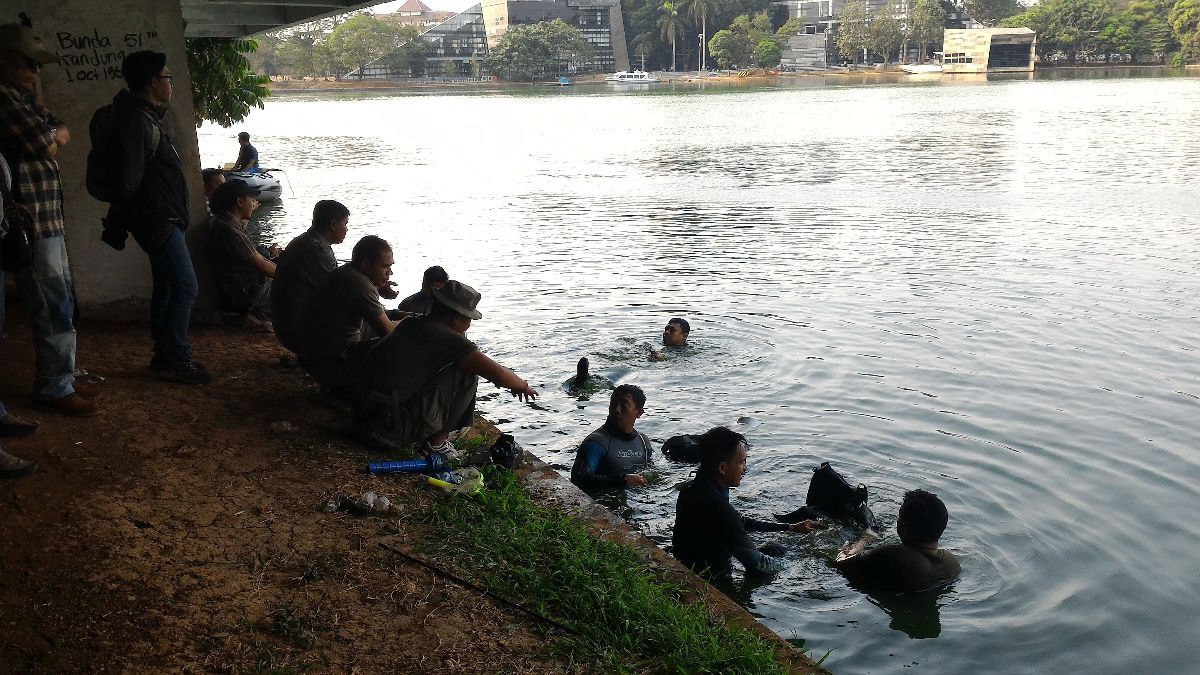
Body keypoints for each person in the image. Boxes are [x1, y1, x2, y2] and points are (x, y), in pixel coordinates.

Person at [0, 23, 99, 416]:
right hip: (31, 221)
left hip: (44, 218)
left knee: (60, 300)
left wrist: (53, 133)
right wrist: (53, 135)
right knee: (51, 302)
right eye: (28, 63)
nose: (34, 72)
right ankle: (56, 386)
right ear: (4, 60)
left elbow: (59, 128)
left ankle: (62, 377)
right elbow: (48, 141)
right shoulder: (5, 98)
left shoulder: (21, 97)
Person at [107, 50, 207, 384]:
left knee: (167, 286)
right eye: (167, 77)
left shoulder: (146, 116)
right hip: (157, 219)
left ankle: (165, 356)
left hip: (163, 217)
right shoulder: (137, 120)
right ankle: (176, 357)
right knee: (186, 285)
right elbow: (129, 180)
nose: (171, 84)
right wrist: (123, 221)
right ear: (153, 82)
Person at [353, 279, 537, 454]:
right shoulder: (449, 339)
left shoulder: (412, 323)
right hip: (386, 432)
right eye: (469, 319)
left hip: (362, 418)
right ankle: (436, 445)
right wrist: (523, 385)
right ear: (457, 317)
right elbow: (499, 375)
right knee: (467, 373)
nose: (469, 324)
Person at [672, 427, 825, 576]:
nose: (745, 468)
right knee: (779, 550)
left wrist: (790, 528)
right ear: (723, 468)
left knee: (772, 548)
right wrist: (805, 558)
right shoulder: (719, 509)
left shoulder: (691, 489)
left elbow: (737, 521)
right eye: (741, 462)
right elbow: (761, 566)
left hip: (688, 564)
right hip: (711, 578)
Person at [295, 235, 400, 394]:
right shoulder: (360, 284)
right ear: (366, 264)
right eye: (385, 267)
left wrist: (401, 314)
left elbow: (374, 313)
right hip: (331, 366)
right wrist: (416, 324)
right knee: (403, 344)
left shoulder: (346, 272)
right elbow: (388, 333)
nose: (390, 272)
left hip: (313, 356)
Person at [834, 489, 960, 593]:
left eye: (899, 518)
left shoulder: (896, 556)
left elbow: (841, 563)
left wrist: (864, 540)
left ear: (903, 528)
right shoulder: (952, 564)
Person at [271, 199, 348, 353]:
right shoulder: (319, 251)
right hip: (299, 333)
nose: (347, 229)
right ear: (333, 225)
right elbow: (344, 294)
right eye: (345, 224)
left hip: (284, 326)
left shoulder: (303, 241)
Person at [207, 179, 274, 328]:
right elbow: (262, 266)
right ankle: (260, 316)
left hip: (233, 289)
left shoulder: (221, 221)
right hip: (247, 293)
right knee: (293, 286)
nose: (254, 203)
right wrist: (292, 275)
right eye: (251, 200)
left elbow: (241, 233)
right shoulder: (230, 230)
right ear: (239, 201)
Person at [570, 385, 652, 489]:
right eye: (613, 403)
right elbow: (579, 480)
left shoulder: (643, 442)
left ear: (639, 412)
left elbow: (651, 474)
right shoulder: (595, 443)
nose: (617, 409)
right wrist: (623, 480)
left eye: (624, 405)